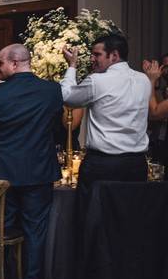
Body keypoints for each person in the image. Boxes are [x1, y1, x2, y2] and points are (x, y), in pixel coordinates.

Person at [0, 44, 62, 279]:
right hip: (38, 170)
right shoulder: (52, 91)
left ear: (15, 63)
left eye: (1, 63)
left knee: (1, 227)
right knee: (35, 231)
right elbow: (58, 130)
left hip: (3, 171)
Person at [61, 35, 150, 205]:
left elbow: (67, 97)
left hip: (103, 164)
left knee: (94, 218)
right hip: (137, 165)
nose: (92, 59)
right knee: (130, 216)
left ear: (114, 55)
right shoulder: (144, 80)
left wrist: (72, 66)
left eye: (97, 54)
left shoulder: (97, 81)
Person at [142, 53, 168, 164]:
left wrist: (151, 80)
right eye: (165, 66)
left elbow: (154, 113)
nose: (165, 70)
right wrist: (155, 83)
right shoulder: (163, 89)